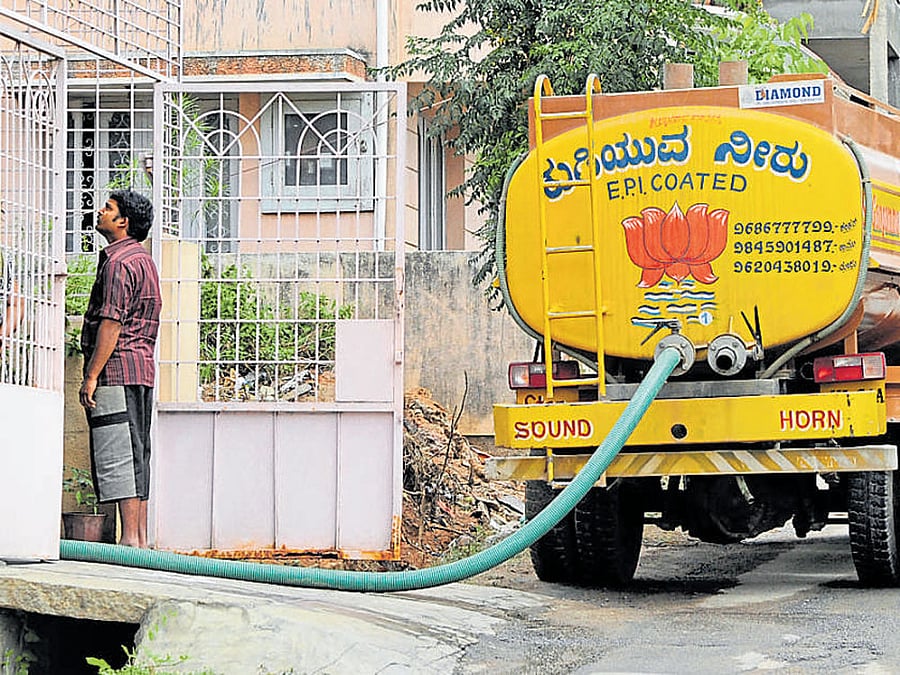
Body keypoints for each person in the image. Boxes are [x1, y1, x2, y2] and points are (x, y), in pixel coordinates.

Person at [79, 190, 161, 548]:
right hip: (141, 368)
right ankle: (138, 539)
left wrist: (91, 375)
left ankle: (128, 540)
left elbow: (111, 323)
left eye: (109, 208)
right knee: (137, 451)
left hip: (116, 369)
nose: (101, 211)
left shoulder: (117, 262)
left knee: (119, 452)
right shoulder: (144, 260)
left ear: (123, 221)